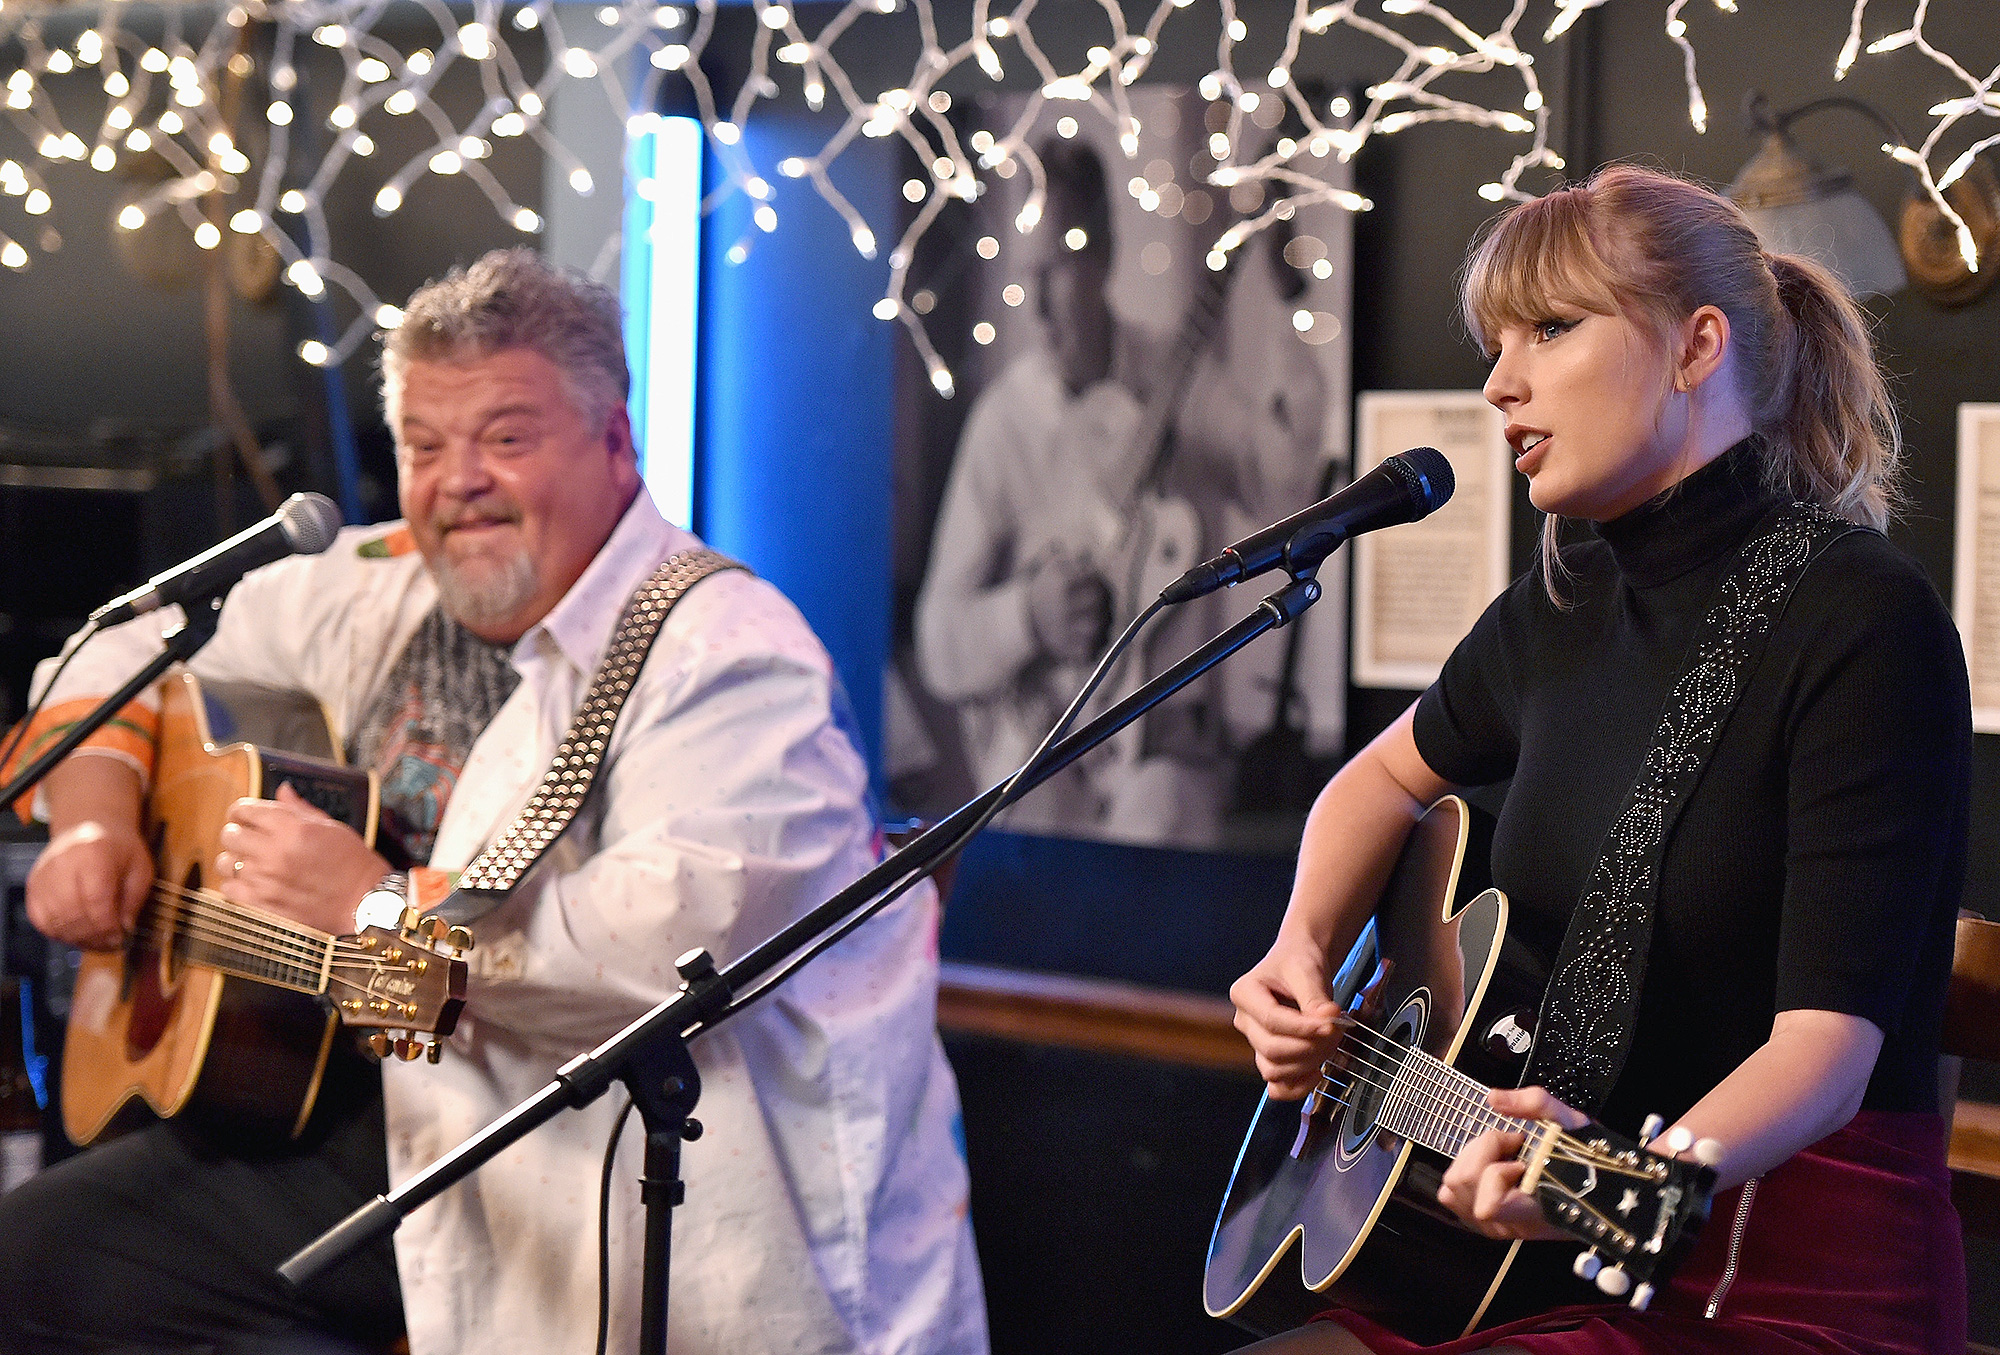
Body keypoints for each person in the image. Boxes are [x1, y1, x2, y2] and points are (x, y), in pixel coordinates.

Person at [0, 249, 989, 1355]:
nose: (455, 480)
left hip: (615, 1167)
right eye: (424, 445)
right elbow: (117, 645)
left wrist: (372, 906)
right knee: (38, 1263)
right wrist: (92, 819)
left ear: (618, 442)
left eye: (506, 439)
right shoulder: (375, 582)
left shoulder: (726, 658)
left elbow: (667, 951)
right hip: (375, 1110)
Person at [1228, 164, 1968, 1353]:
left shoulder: (1859, 620)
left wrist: (1622, 1172)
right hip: (1537, 1259)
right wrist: (1299, 951)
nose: (1496, 383)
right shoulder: (1557, 603)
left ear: (1694, 347)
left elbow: (1823, 1053)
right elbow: (1374, 779)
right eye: (1493, 342)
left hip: (1774, 1277)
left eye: (1549, 330)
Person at [912, 134, 1331, 847]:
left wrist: (1290, 296)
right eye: (1027, 275)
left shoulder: (1180, 377)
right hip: (1038, 779)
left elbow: (1285, 484)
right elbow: (938, 644)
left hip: (1164, 777)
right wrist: (1029, 617)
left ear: (1103, 252)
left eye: (1059, 269)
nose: (1039, 307)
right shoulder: (1003, 422)